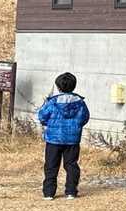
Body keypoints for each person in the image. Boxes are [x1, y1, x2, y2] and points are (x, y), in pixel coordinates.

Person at [37, 72, 90, 201]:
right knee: (71, 165)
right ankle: (71, 191)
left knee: (51, 165)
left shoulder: (52, 102)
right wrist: (76, 126)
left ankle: (49, 193)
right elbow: (85, 118)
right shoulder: (80, 103)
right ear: (74, 86)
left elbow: (42, 116)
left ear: (58, 87)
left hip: (53, 139)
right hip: (72, 139)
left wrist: (48, 124)